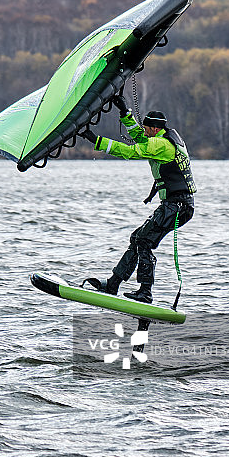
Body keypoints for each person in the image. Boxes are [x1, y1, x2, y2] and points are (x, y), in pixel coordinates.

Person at [80, 95, 196, 303]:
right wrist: (125, 112)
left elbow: (131, 151)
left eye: (145, 127)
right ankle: (113, 284)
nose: (143, 131)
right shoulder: (163, 138)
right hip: (177, 205)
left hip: (176, 206)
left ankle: (145, 292)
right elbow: (139, 137)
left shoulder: (162, 145)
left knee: (144, 241)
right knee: (137, 238)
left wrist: (96, 140)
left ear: (152, 128)